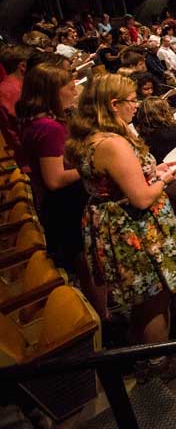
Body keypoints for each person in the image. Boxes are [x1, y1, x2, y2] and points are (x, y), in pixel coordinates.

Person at [66, 74, 176, 377]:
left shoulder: (91, 136)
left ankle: (141, 357)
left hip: (118, 224)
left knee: (142, 301)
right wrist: (163, 179)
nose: (136, 105)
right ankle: (156, 365)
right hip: (137, 229)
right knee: (155, 298)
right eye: (131, 100)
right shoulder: (112, 143)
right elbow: (140, 198)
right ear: (113, 105)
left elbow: (118, 181)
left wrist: (152, 169)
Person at [17, 63, 96, 305]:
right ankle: (102, 315)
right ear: (52, 92)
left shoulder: (38, 122)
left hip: (62, 203)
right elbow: (54, 179)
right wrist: (92, 167)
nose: (75, 91)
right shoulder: (49, 128)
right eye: (69, 88)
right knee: (85, 257)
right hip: (65, 204)